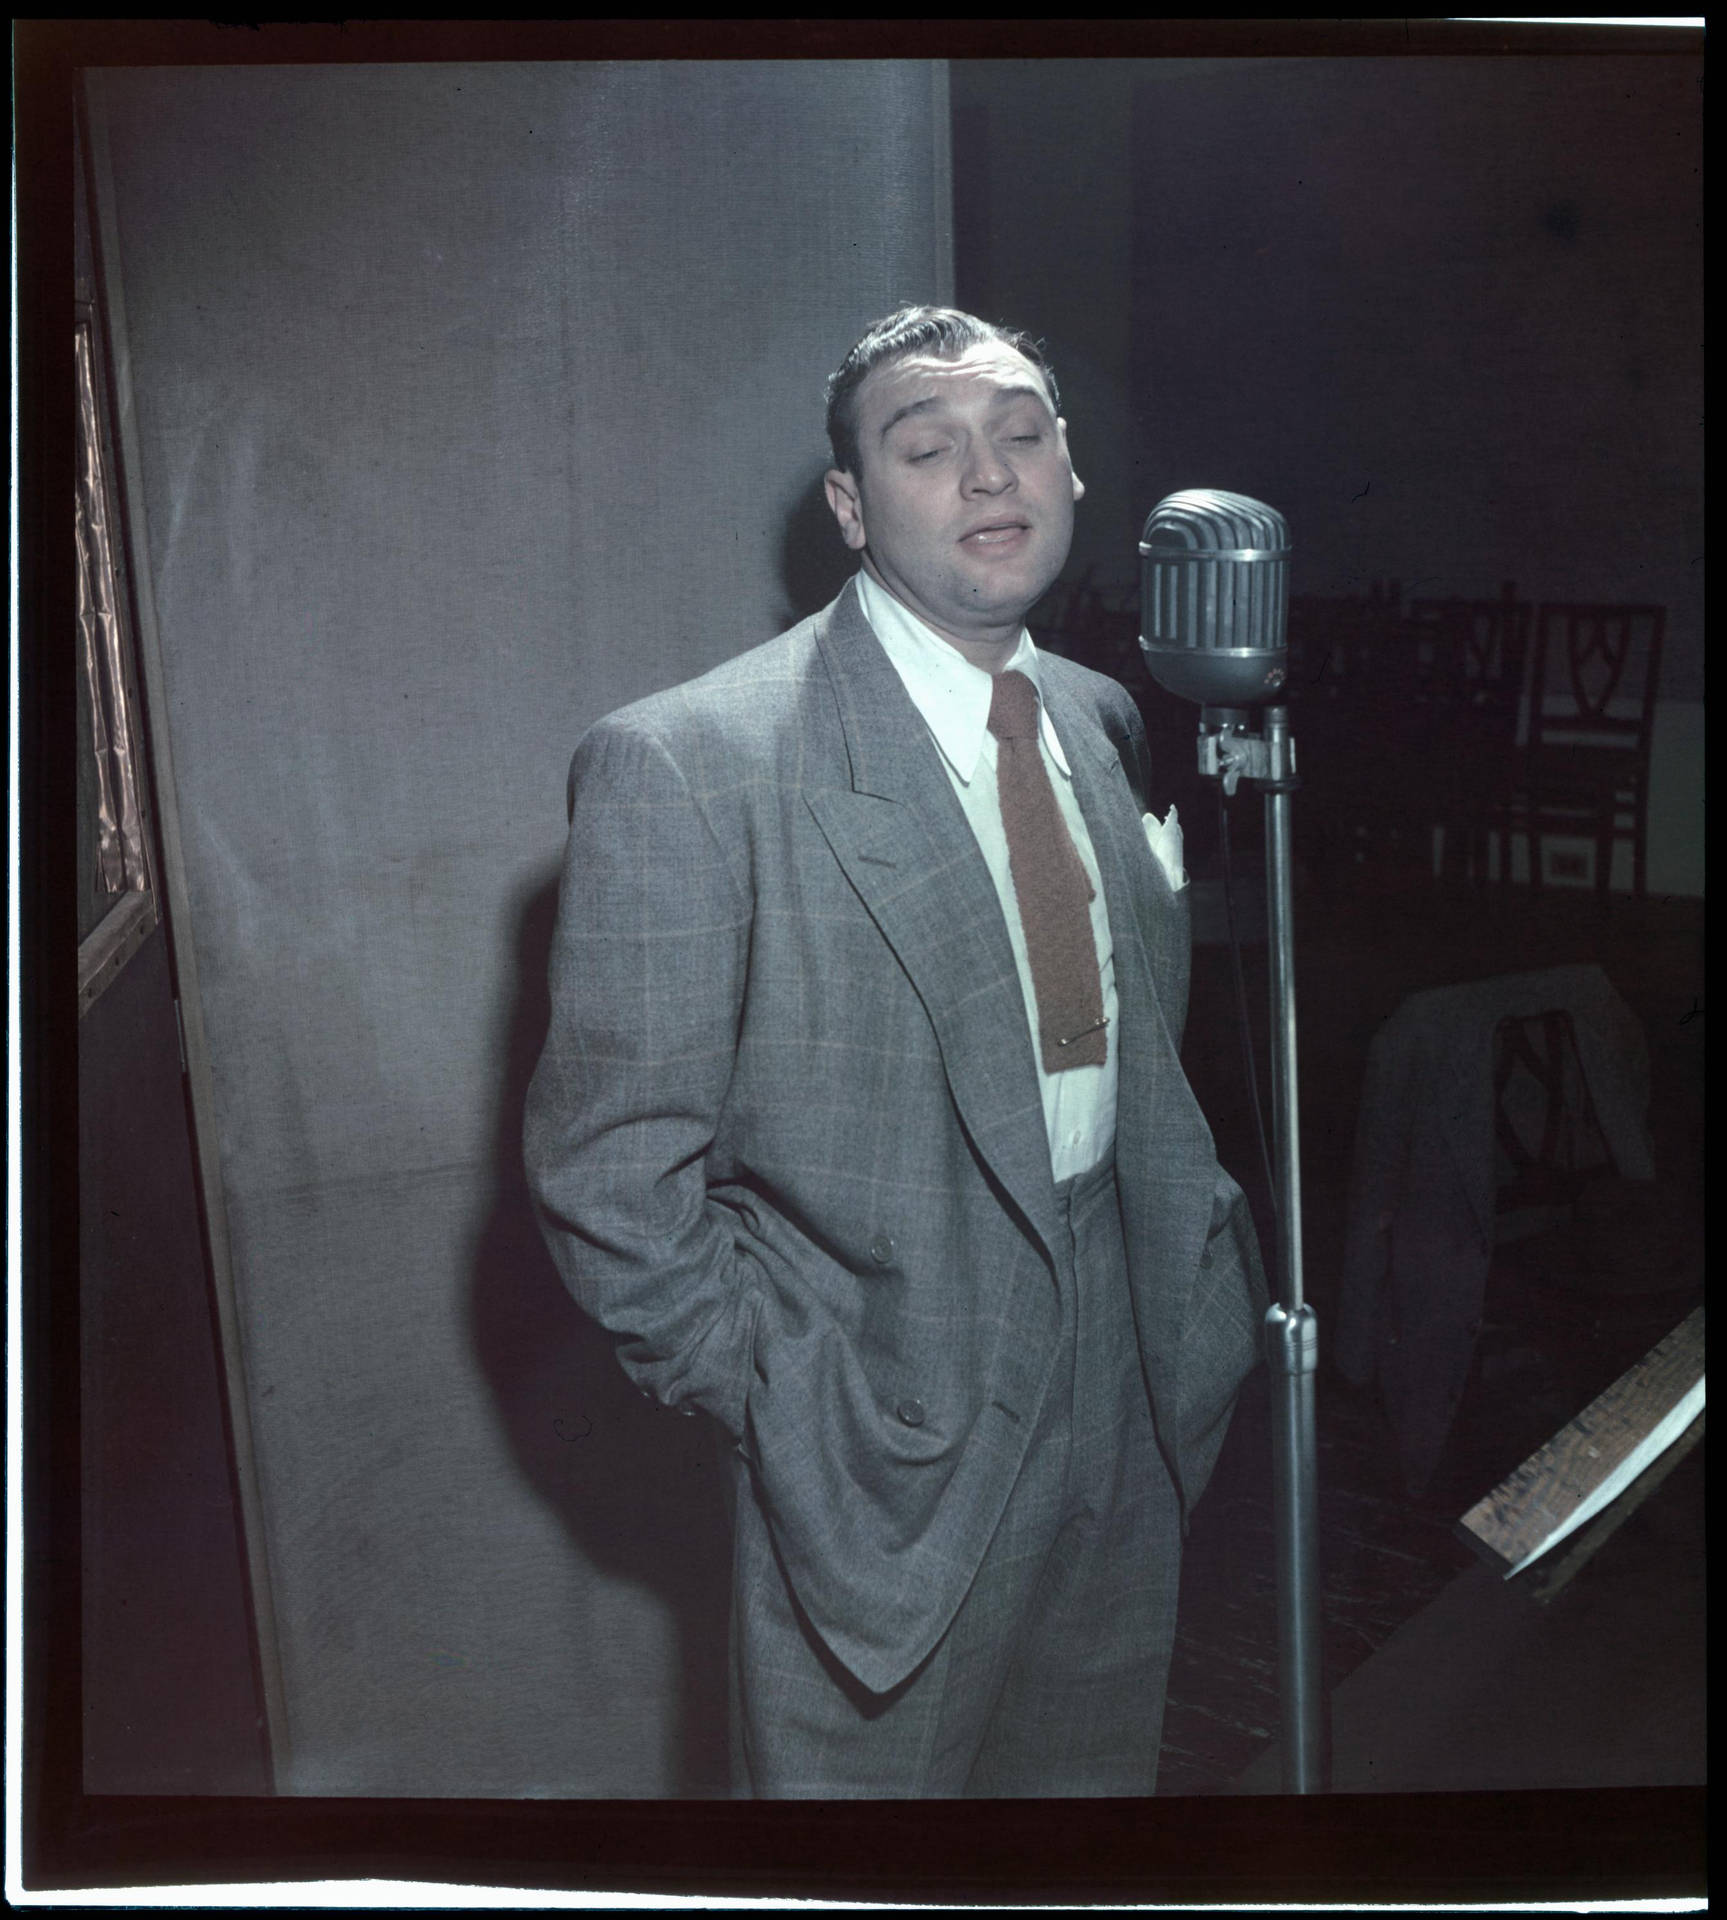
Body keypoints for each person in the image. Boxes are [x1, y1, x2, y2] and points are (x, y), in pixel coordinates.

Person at [524, 305, 1267, 1797]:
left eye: (1024, 437)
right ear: (855, 509)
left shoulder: (1099, 716)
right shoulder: (692, 762)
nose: (990, 476)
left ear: (1073, 474)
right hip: (876, 1428)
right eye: (930, 449)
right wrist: (778, 1395)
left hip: (1127, 1376)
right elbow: (611, 1179)